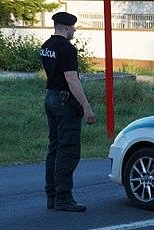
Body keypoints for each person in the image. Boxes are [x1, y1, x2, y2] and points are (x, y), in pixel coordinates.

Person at [40, 12, 95, 212]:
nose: (74, 30)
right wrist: (86, 107)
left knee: (54, 148)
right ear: (65, 26)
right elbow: (72, 79)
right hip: (65, 101)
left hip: (51, 97)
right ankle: (63, 197)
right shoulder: (67, 48)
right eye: (73, 27)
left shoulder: (46, 46)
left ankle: (52, 195)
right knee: (68, 150)